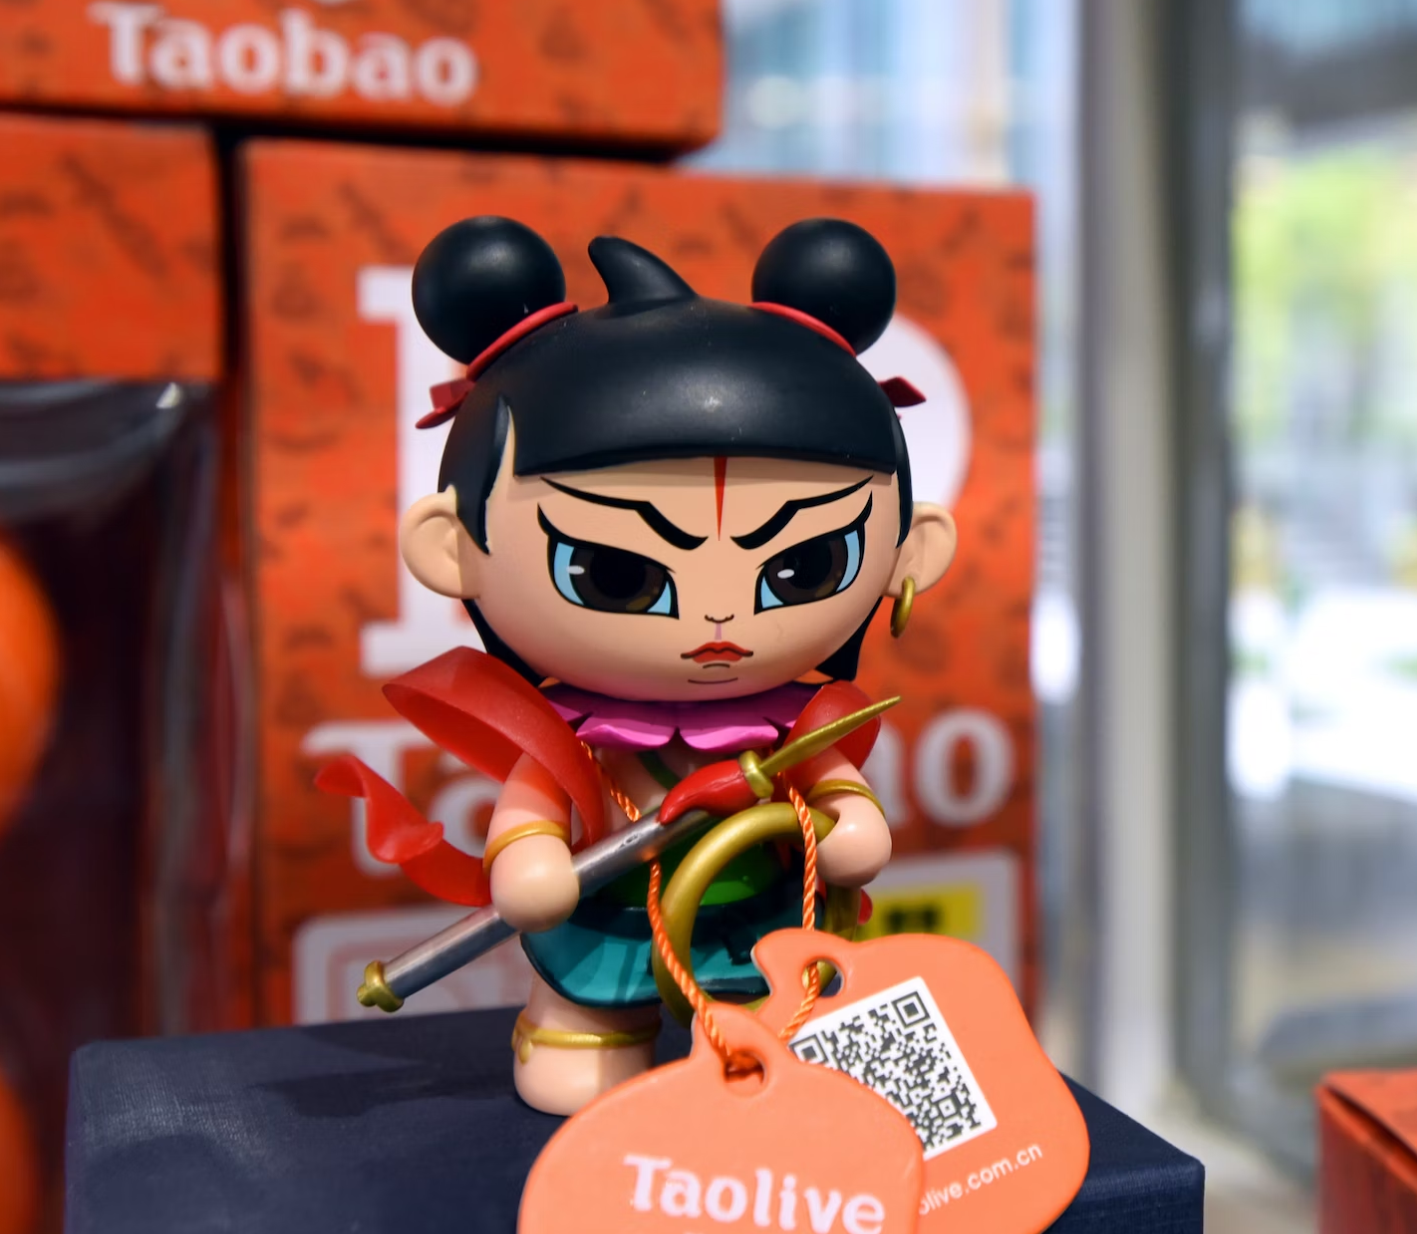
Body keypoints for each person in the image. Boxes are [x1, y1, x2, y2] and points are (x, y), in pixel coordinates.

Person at [329, 215, 956, 1115]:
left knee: (776, 1030)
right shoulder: (576, 742)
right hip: (607, 927)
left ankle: (752, 1053)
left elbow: (842, 805)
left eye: (801, 566)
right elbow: (532, 810)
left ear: (909, 549)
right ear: (450, 548)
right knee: (588, 1038)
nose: (717, 618)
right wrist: (528, 855)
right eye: (615, 571)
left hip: (756, 925)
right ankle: (583, 1030)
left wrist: (851, 823)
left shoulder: (792, 730)